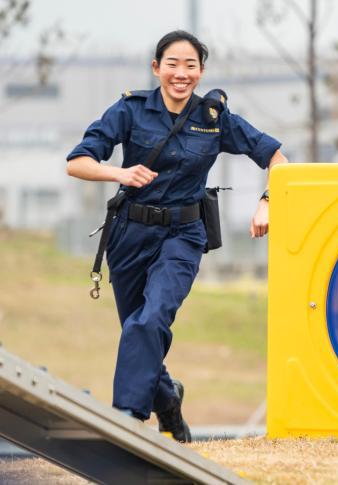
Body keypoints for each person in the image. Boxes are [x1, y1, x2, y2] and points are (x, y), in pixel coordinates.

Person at [66, 30, 288, 442]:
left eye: (190, 65)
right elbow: (77, 162)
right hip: (129, 234)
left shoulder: (214, 119)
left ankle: (128, 423)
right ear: (157, 68)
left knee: (151, 320)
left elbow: (276, 157)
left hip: (183, 236)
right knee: (137, 328)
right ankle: (167, 400)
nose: (181, 73)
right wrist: (120, 172)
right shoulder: (130, 110)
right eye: (172, 64)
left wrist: (268, 200)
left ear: (201, 72)